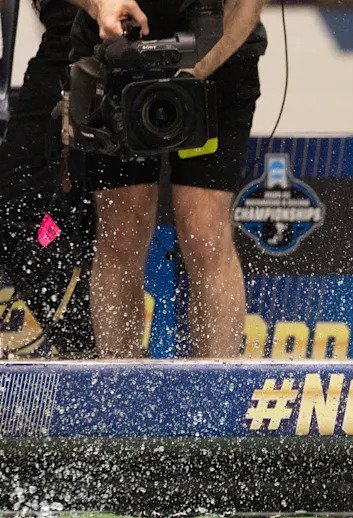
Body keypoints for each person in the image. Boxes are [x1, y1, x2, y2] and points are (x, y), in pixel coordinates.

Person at [69, 0, 267, 357]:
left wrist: (195, 74)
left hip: (220, 56)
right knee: (120, 230)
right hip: (115, 54)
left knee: (204, 230)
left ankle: (218, 391)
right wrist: (100, 5)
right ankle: (118, 388)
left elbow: (247, 5)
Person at [0, 0, 95, 356]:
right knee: (20, 212)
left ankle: (102, 357)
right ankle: (84, 348)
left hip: (139, 48)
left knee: (112, 219)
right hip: (65, 44)